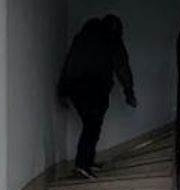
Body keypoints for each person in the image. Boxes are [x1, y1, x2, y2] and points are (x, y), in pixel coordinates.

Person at [57, 14, 138, 179]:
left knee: (91, 125)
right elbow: (122, 66)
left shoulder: (82, 37)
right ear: (116, 28)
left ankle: (87, 161)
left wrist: (62, 91)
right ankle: (82, 164)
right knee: (92, 126)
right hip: (95, 86)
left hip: (74, 87)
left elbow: (68, 62)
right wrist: (129, 92)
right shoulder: (111, 37)